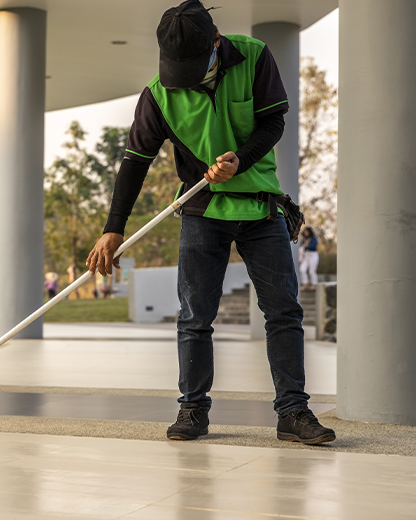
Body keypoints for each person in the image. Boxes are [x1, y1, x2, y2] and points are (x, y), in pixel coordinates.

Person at [86, 0, 335, 445]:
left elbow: (273, 121)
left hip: (261, 208)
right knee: (195, 317)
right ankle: (192, 410)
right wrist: (113, 227)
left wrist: (241, 160)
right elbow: (134, 162)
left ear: (216, 44)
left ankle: (293, 411)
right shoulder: (158, 95)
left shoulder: (254, 55)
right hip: (203, 213)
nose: (181, 80)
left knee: (283, 313)